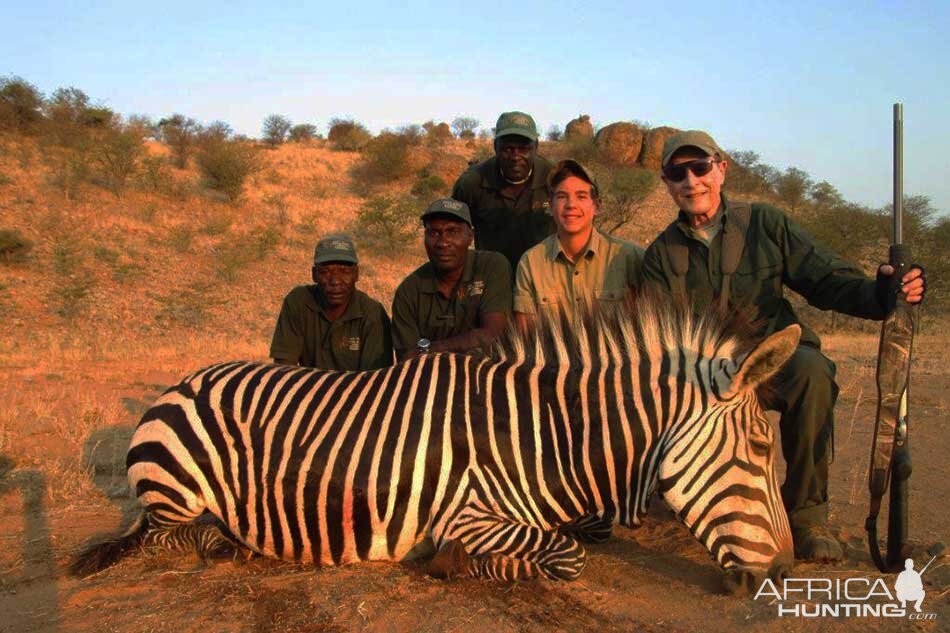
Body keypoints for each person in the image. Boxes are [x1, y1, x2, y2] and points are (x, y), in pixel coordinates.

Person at [641, 130, 926, 561]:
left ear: (721, 169)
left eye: (699, 168)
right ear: (666, 183)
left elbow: (824, 278)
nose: (690, 181)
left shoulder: (767, 223)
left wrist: (882, 293)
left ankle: (807, 517)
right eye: (677, 173)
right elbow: (657, 337)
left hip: (772, 360)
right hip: (703, 374)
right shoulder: (660, 253)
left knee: (811, 373)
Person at [514, 159, 643, 329]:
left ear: (596, 206)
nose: (571, 205)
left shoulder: (630, 257)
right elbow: (526, 337)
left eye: (581, 196)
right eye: (561, 197)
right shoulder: (531, 262)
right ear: (551, 206)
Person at [391, 198, 512, 360]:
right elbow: (408, 360)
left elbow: (493, 336)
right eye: (434, 233)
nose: (443, 243)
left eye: (452, 232)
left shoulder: (492, 266)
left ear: (471, 236)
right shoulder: (408, 292)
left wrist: (432, 348)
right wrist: (474, 339)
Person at [270, 234, 393, 371]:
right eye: (326, 272)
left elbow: (374, 377)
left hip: (356, 390)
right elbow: (284, 366)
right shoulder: (298, 302)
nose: (335, 281)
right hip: (308, 389)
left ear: (356, 274)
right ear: (314, 274)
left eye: (344, 271)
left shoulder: (371, 313)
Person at [451, 111, 555, 272]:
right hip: (491, 277)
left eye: (524, 148)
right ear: (495, 147)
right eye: (508, 148)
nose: (515, 156)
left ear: (536, 147)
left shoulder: (555, 180)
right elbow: (452, 233)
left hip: (544, 276)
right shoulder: (471, 183)